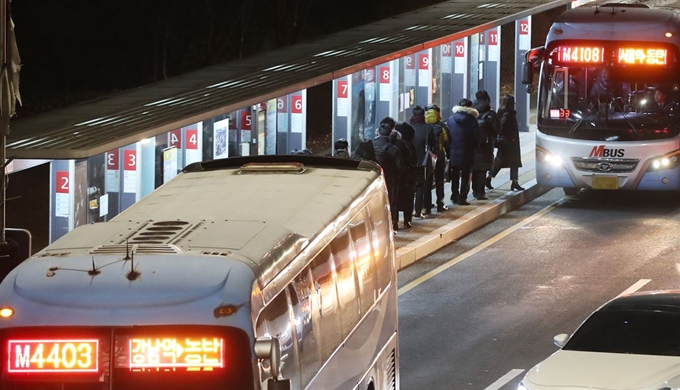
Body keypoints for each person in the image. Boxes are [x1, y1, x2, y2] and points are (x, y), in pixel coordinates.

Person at [487, 94, 524, 191]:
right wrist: (511, 136)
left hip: (508, 142)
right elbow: (502, 127)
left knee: (507, 162)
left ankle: (514, 182)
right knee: (506, 162)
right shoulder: (508, 115)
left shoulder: (503, 112)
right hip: (509, 143)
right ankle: (512, 182)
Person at [446, 98, 479, 206]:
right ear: (470, 108)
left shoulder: (450, 119)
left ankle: (454, 195)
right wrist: (475, 148)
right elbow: (476, 137)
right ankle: (462, 197)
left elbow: (447, 136)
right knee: (466, 174)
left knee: (455, 174)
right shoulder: (472, 120)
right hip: (468, 151)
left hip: (454, 151)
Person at [373, 122, 405, 232]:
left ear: (378, 133)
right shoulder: (393, 149)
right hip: (390, 181)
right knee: (391, 203)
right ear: (390, 134)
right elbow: (400, 167)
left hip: (375, 181)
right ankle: (392, 225)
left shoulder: (371, 146)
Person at [471, 89, 501, 200]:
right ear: (487, 99)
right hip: (486, 145)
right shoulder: (491, 114)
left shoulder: (472, 113)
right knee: (482, 169)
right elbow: (498, 129)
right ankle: (480, 192)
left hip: (473, 145)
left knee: (474, 168)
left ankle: (474, 190)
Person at [409, 105, 436, 217]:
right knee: (423, 186)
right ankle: (420, 210)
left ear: (413, 115)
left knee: (410, 187)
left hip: (410, 161)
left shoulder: (408, 127)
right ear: (423, 116)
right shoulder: (428, 128)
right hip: (423, 161)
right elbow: (433, 145)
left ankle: (408, 212)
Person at [425, 104, 452, 212]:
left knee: (427, 181)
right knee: (439, 180)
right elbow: (448, 141)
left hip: (427, 158)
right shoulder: (442, 126)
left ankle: (427, 206)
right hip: (439, 156)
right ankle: (440, 203)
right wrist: (448, 155)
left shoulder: (424, 126)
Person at [395, 121, 418, 229]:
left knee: (395, 199)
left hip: (396, 176)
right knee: (408, 199)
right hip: (407, 176)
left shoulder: (394, 143)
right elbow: (413, 160)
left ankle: (395, 221)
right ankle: (407, 220)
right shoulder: (409, 144)